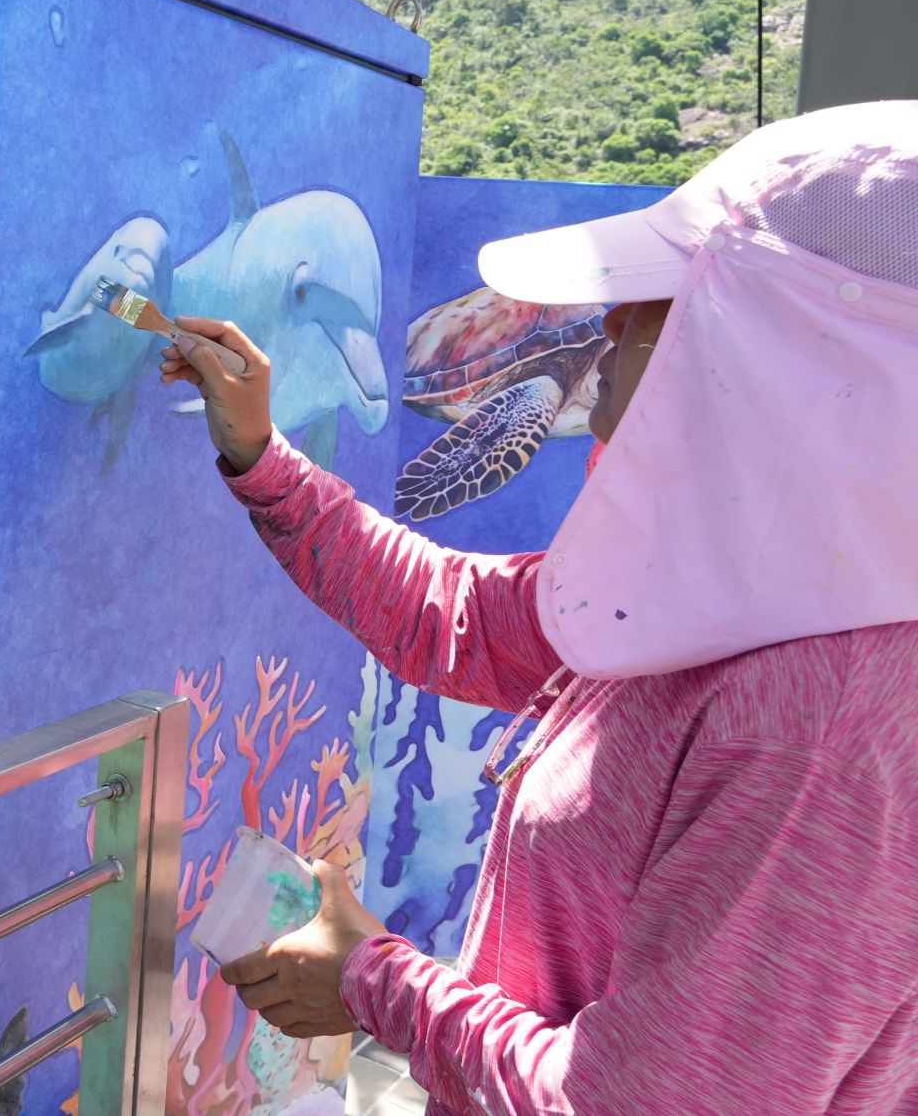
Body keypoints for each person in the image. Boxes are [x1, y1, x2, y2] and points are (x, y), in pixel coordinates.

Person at [163, 102, 918, 1113]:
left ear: (785, 364)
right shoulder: (735, 585)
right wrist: (260, 454)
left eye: (670, 300)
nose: (611, 323)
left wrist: (371, 976)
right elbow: (450, 617)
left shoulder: (816, 733)